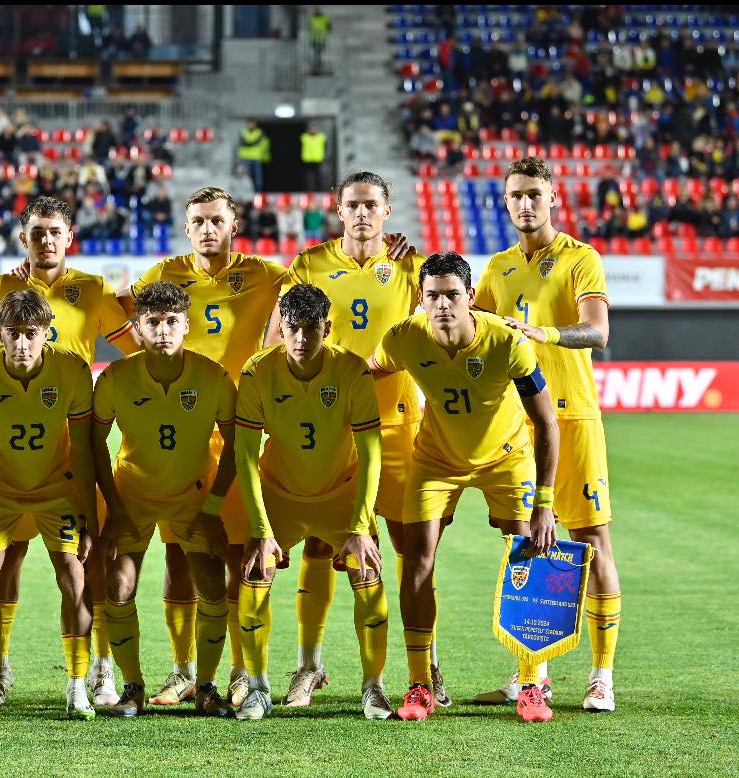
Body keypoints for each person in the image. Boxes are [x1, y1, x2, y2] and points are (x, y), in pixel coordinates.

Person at [0, 195, 139, 709]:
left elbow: (138, 353)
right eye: (37, 232)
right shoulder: (1, 289)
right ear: (23, 239)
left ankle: (99, 669)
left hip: (68, 455)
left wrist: (138, 300)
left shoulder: (92, 289)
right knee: (3, 565)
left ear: (69, 237)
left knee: (88, 565)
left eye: (55, 232)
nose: (46, 240)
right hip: (6, 455)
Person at [369, 251, 560, 723]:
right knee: (417, 560)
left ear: (470, 297)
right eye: (432, 295)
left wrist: (545, 503)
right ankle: (420, 684)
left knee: (527, 558)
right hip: (436, 459)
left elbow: (546, 422)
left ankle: (532, 684)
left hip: (507, 458)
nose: (442, 305)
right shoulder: (403, 337)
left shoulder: (507, 342)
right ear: (420, 298)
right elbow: (366, 370)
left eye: (452, 295)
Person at [118, 186, 290, 707]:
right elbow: (124, 311)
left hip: (238, 430)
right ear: (187, 227)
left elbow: (320, 284)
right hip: (183, 435)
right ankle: (182, 671)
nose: (208, 228)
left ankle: (239, 671)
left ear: (235, 225)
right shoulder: (163, 273)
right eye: (198, 221)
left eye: (217, 220)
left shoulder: (265, 274)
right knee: (178, 557)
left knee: (237, 556)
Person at [265, 171, 428, 713]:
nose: (362, 214)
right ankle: (308, 665)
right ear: (338, 211)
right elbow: (278, 337)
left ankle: (422, 669)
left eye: (371, 205)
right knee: (318, 544)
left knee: (410, 549)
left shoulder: (410, 265)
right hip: (327, 429)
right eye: (353, 205)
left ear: (387, 211)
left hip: (395, 425)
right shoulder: (310, 264)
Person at [474, 156, 622, 713]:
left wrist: (543, 333)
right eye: (516, 195)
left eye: (534, 193)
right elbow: (472, 327)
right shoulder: (498, 267)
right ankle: (532, 676)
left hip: (572, 416)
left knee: (592, 539)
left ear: (553, 197)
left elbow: (598, 332)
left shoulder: (581, 258)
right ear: (505, 202)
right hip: (516, 424)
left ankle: (601, 676)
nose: (525, 203)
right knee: (526, 544)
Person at [232, 283, 384, 720]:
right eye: (292, 327)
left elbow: (372, 453)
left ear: (327, 328)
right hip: (281, 493)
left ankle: (373, 688)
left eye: (311, 328)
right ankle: (257, 688)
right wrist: (260, 530)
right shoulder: (257, 371)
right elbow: (245, 455)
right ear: (280, 327)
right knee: (254, 574)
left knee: (368, 574)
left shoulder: (351, 370)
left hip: (340, 494)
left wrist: (359, 527)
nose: (300, 338)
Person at [94, 282, 237, 718]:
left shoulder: (213, 376)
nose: (162, 331)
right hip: (133, 494)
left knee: (212, 586)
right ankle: (132, 688)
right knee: (118, 587)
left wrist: (212, 509)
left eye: (172, 321)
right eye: (153, 322)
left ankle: (206, 687)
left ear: (186, 326)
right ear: (137, 328)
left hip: (193, 496)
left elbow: (236, 445)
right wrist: (114, 510)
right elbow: (94, 445)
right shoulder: (116, 377)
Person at [0, 290, 98, 720]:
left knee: (73, 575)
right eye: (12, 334)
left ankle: (77, 685)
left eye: (30, 334)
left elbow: (84, 450)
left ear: (46, 333)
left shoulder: (72, 370)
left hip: (56, 487)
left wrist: (90, 518)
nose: (21, 344)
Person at [238, 120, 269, 193]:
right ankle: (247, 191)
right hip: (246, 157)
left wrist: (249, 142)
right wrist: (251, 143)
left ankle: (258, 192)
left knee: (258, 176)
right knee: (246, 177)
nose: (250, 125)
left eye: (252, 123)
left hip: (256, 157)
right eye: (249, 123)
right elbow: (244, 142)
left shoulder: (259, 132)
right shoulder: (243, 132)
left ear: (255, 124)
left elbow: (252, 142)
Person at [300, 122, 327, 193]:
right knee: (308, 177)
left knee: (319, 176)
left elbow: (326, 147)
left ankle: (320, 191)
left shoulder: (321, 137)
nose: (313, 130)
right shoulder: (304, 137)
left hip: (318, 159)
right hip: (307, 159)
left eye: (314, 128)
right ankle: (309, 191)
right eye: (311, 128)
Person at [309, 9, 331, 75]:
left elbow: (329, 27)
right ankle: (317, 65)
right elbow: (309, 27)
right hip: (314, 39)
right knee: (316, 53)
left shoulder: (324, 19)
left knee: (320, 53)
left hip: (321, 39)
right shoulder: (312, 19)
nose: (317, 13)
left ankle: (319, 65)